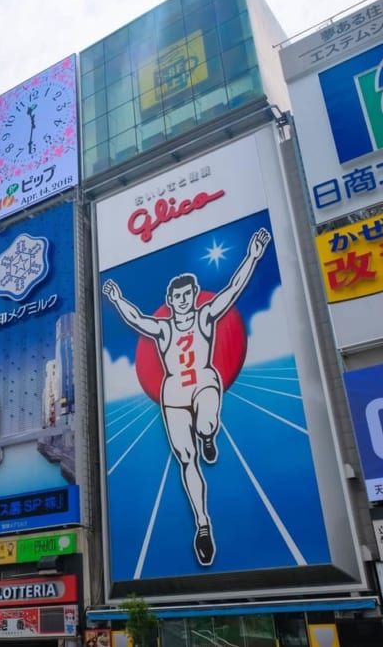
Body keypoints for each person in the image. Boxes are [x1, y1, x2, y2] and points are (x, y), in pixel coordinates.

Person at [101, 227, 271, 566]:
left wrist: (253, 255)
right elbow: (137, 319)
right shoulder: (164, 329)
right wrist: (117, 299)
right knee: (185, 458)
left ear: (194, 295)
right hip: (174, 392)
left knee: (207, 422)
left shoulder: (206, 317)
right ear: (170, 301)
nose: (182, 300)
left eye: (187, 294)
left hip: (205, 381)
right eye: (176, 297)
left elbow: (233, 289)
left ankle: (209, 434)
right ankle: (203, 524)